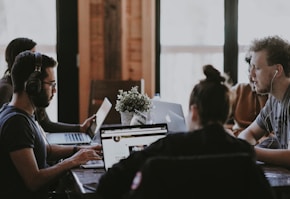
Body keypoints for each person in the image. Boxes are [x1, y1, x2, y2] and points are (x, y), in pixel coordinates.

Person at [95, 64, 256, 199]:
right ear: (226, 112)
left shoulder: (168, 147)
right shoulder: (244, 152)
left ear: (194, 112)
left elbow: (107, 183)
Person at [0, 51, 102, 199]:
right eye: (51, 84)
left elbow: (45, 150)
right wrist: (73, 161)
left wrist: (82, 149)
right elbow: (33, 180)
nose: (54, 90)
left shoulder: (20, 113)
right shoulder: (16, 123)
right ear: (33, 85)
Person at [0, 37, 95, 134]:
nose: (38, 63)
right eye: (32, 55)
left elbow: (46, 124)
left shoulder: (34, 87)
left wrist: (80, 128)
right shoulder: (6, 89)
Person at [238, 35, 290, 167]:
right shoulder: (274, 100)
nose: (251, 76)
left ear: (277, 71)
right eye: (251, 69)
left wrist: (251, 151)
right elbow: (249, 133)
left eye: (257, 68)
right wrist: (248, 148)